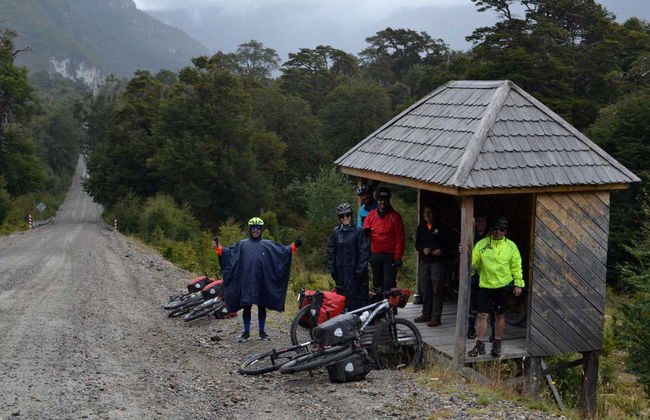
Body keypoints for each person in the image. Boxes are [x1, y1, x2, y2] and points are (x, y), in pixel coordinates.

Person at [212, 217, 302, 342]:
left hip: (262, 281)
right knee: (247, 306)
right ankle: (246, 332)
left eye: (258, 228)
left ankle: (262, 332)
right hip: (247, 281)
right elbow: (229, 253)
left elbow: (282, 251)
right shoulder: (242, 244)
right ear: (250, 230)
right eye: (253, 228)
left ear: (261, 230)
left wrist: (294, 245)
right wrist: (218, 248)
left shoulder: (268, 245)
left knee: (261, 306)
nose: (256, 231)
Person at [460, 216, 524, 357]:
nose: (498, 232)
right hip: (486, 285)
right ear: (491, 230)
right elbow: (473, 264)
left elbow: (516, 266)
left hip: (502, 285)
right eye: (495, 229)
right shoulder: (482, 244)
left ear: (505, 231)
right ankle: (479, 345)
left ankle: (497, 345)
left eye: (501, 230)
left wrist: (518, 284)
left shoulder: (511, 246)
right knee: (482, 315)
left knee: (499, 315)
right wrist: (465, 253)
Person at [327, 203, 370, 311]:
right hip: (341, 272)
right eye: (342, 216)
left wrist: (360, 270)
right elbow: (331, 251)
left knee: (357, 299)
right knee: (342, 300)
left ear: (351, 216)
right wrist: (332, 269)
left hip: (355, 272)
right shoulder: (335, 232)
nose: (345, 218)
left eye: (347, 215)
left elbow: (364, 252)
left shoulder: (358, 231)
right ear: (339, 218)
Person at [362, 187, 405, 291]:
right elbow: (365, 229)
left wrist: (398, 257)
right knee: (377, 284)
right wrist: (366, 231)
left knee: (388, 283)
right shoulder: (371, 215)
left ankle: (391, 306)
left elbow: (400, 238)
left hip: (390, 255)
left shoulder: (395, 217)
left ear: (388, 201)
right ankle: (379, 306)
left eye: (384, 200)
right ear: (377, 201)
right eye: (380, 200)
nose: (382, 202)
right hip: (375, 254)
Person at [413, 206, 450, 327]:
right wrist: (423, 249)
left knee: (436, 289)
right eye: (425, 213)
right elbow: (417, 244)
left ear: (434, 214)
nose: (427, 215)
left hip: (438, 262)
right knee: (425, 288)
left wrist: (441, 251)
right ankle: (426, 313)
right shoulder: (421, 227)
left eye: (429, 213)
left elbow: (450, 244)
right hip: (425, 261)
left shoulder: (442, 227)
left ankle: (436, 317)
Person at [468, 215, 495, 339]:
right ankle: (470, 329)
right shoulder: (470, 235)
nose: (480, 223)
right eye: (478, 220)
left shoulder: (491, 237)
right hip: (474, 276)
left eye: (482, 220)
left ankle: (494, 333)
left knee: (490, 306)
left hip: (488, 277)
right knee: (473, 305)